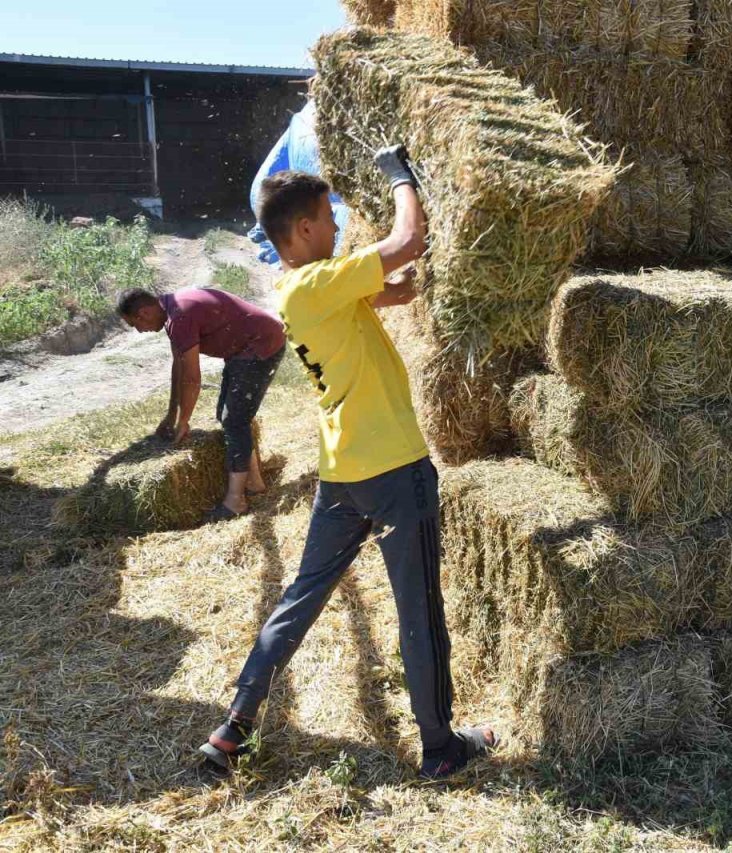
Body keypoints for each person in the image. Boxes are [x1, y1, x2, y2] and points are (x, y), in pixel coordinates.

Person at [198, 146, 497, 781]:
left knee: (300, 597)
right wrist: (400, 177)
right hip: (393, 469)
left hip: (342, 475)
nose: (337, 227)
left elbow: (396, 288)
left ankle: (235, 728)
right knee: (419, 607)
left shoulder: (301, 289)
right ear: (302, 229)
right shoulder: (317, 282)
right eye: (329, 218)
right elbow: (407, 240)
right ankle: (441, 746)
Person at [118, 284, 285, 521]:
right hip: (243, 350)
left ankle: (235, 501)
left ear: (143, 313)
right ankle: (255, 483)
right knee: (229, 416)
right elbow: (179, 367)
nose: (139, 331)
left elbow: (192, 379)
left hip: (260, 344)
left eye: (135, 324)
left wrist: (184, 421)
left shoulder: (180, 315)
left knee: (233, 420)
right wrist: (171, 414)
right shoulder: (172, 313)